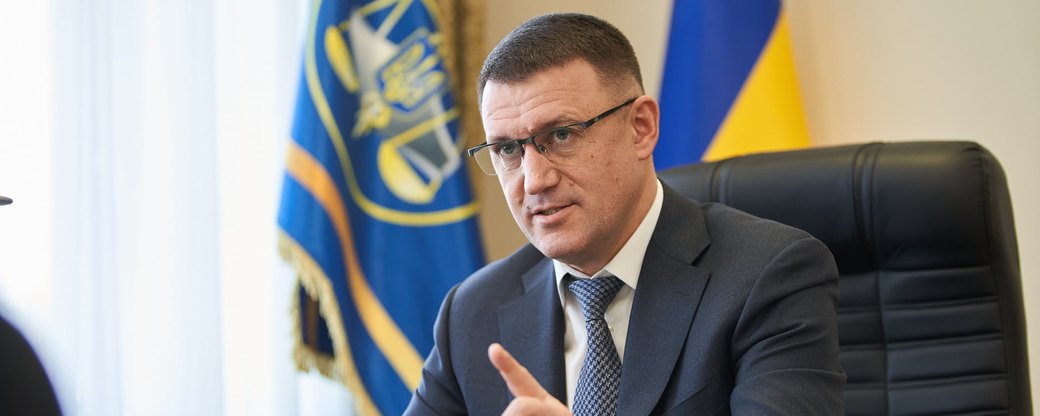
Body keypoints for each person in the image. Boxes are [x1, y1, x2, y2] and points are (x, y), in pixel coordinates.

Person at [406, 13, 844, 415]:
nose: (534, 180)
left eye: (561, 135)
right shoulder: (472, 312)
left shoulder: (770, 275)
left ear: (641, 128)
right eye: (507, 149)